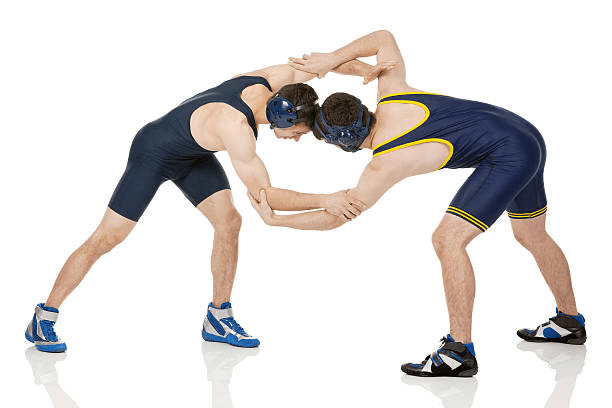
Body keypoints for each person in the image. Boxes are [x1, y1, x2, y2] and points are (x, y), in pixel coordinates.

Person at [248, 30, 586, 376]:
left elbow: (338, 216)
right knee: (531, 234)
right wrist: (331, 60)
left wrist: (277, 220)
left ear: (342, 144)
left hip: (510, 154)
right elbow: (383, 38)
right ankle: (569, 322)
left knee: (448, 240)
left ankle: (458, 353)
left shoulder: (384, 163)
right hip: (526, 133)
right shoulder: (391, 93)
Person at [25, 59, 370, 352]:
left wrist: (371, 70)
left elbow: (327, 61)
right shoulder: (236, 129)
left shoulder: (275, 80)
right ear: (283, 119)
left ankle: (218, 317)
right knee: (107, 237)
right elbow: (266, 196)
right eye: (298, 133)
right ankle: (44, 317)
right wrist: (327, 199)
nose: (296, 139)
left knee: (229, 222)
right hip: (153, 153)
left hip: (193, 153)